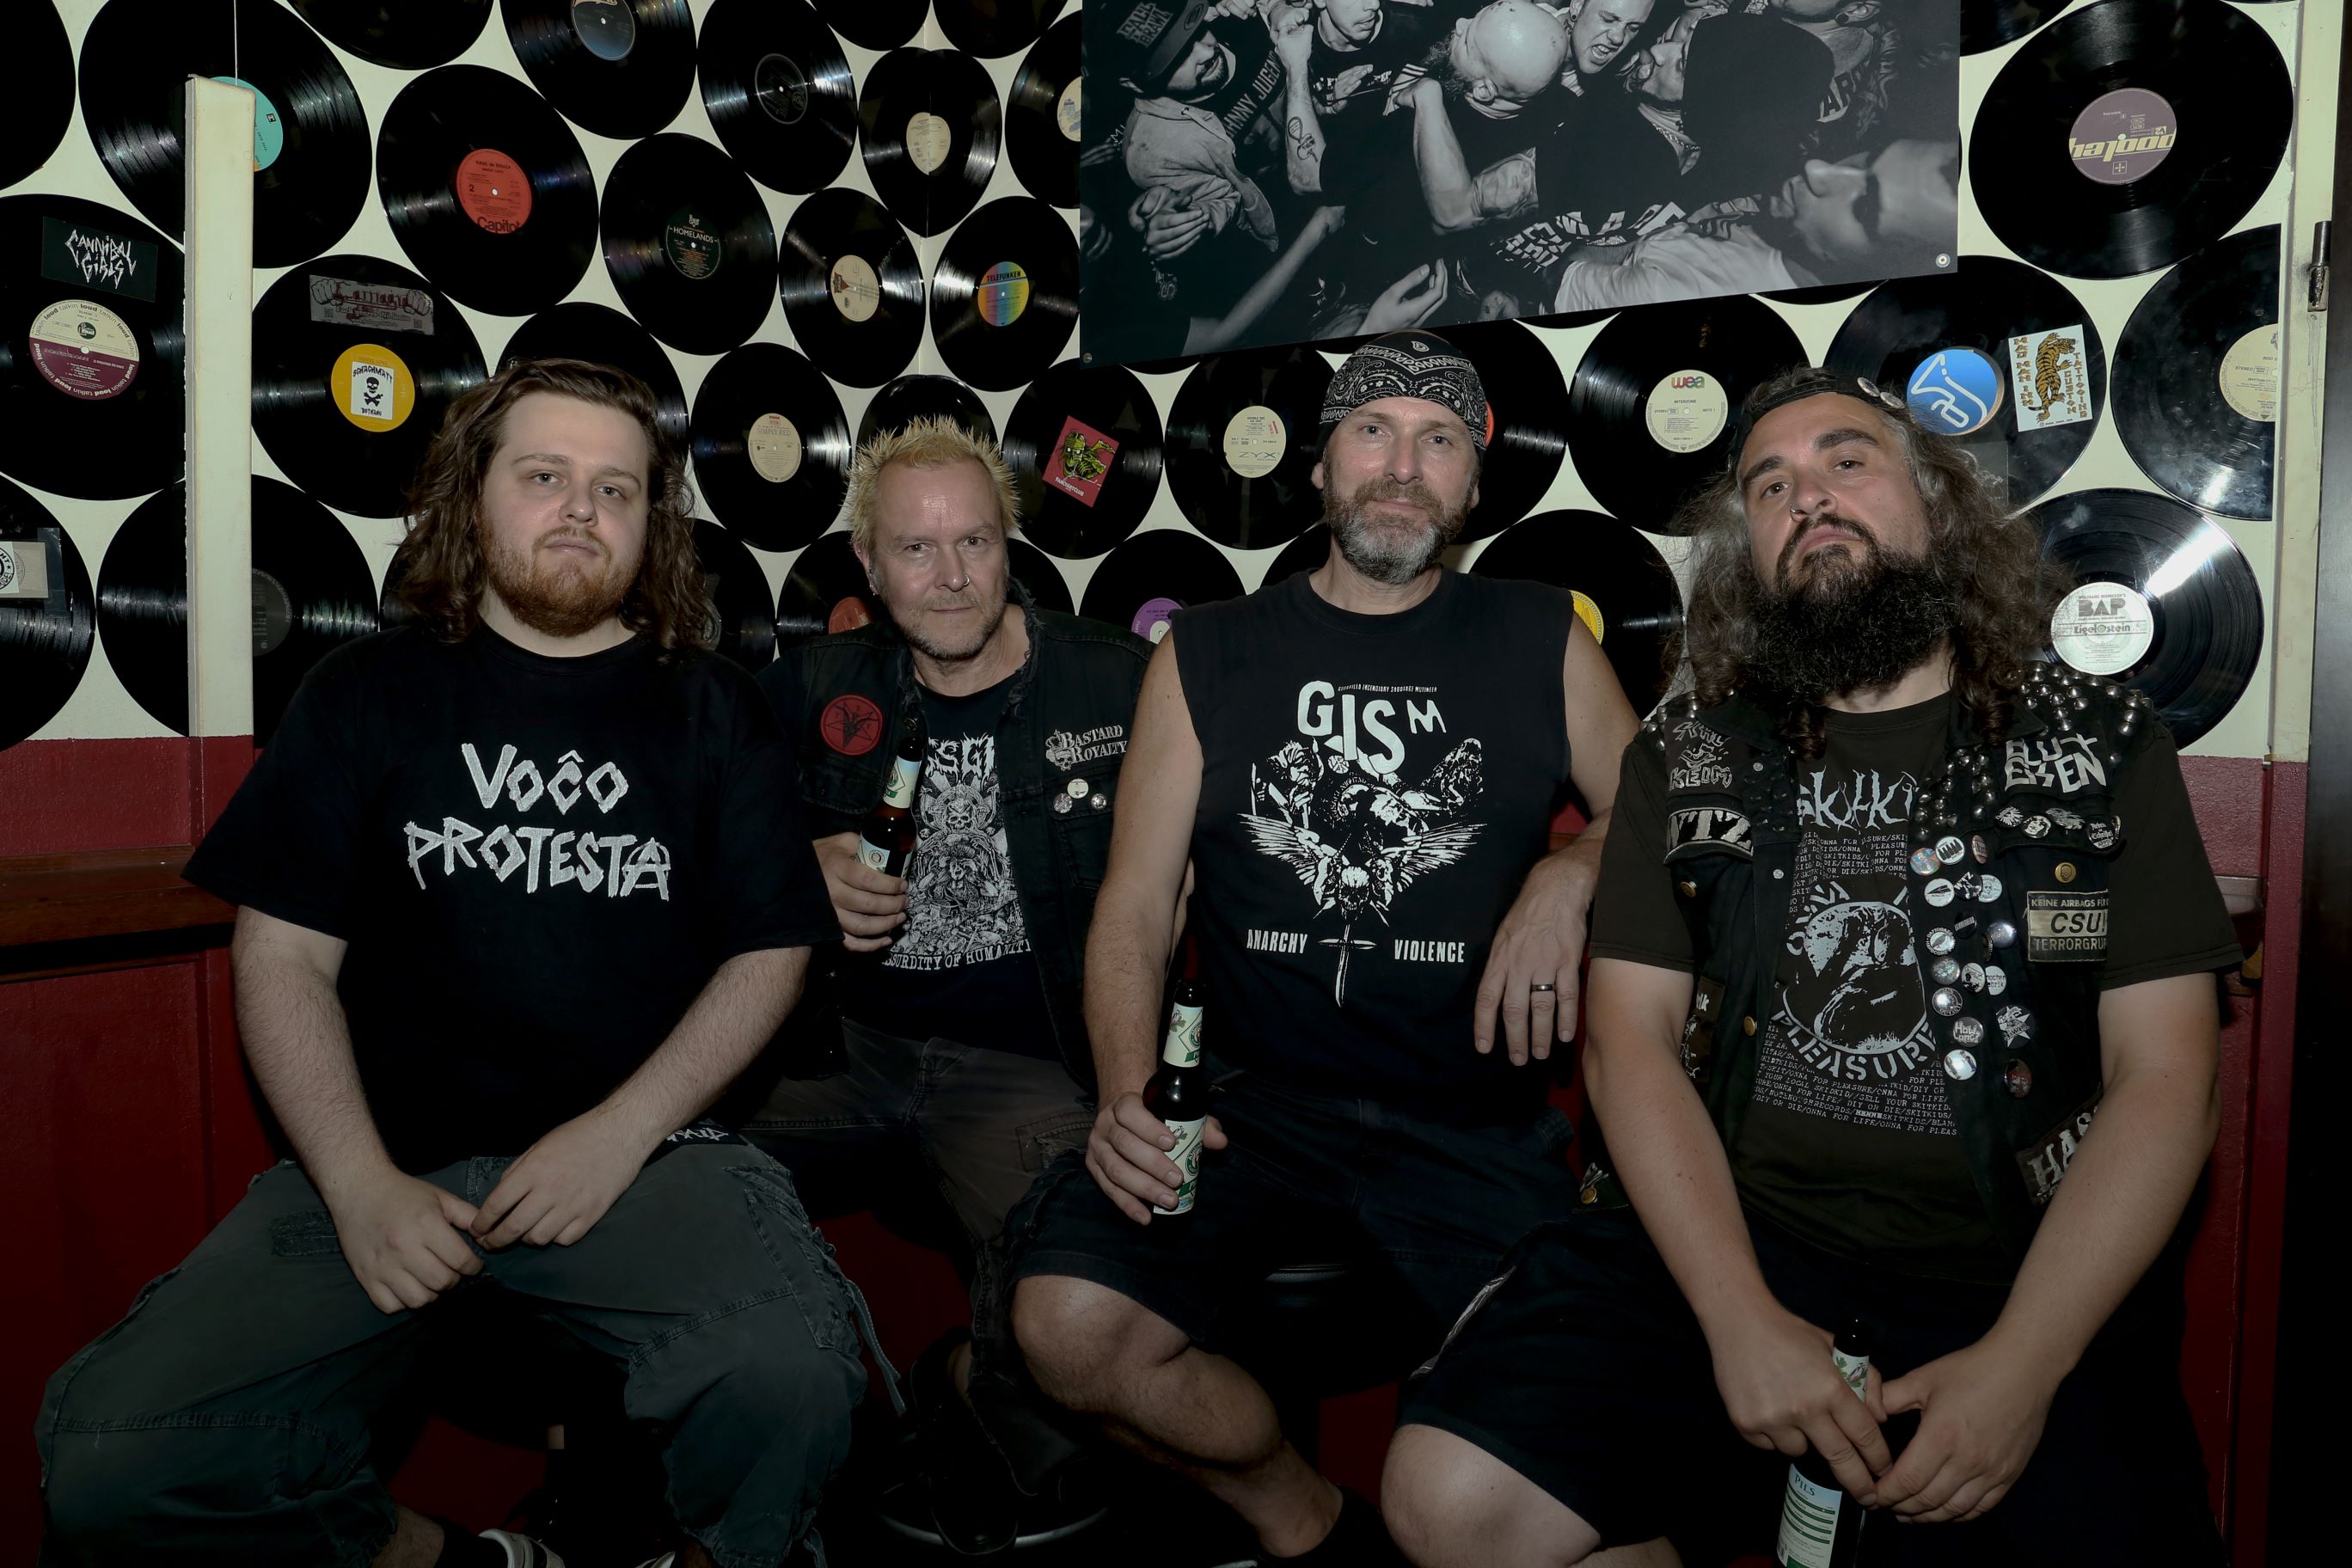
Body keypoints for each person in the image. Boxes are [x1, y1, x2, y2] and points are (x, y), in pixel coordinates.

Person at [1383, 368, 2239, 1566]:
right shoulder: (1687, 751)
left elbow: (2169, 1080)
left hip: (2014, 1272)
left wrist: (2024, 1365)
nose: (1809, 498)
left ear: (1936, 505)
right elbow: (1628, 1042)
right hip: (1727, 1238)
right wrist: (1738, 1318)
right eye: (1770, 486)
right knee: (1447, 1498)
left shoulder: (2096, 740)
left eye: (1847, 461)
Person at [34, 359, 863, 1568]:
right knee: (114, 1460)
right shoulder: (362, 691)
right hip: (389, 1161)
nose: (581, 510)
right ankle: (461, 1562)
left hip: (647, 1158)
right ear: (474, 496)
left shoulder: (716, 707)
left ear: (652, 523)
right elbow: (282, 959)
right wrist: (359, 1183)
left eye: (616, 489)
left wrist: (617, 1134)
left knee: (796, 1377)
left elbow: (770, 952)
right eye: (544, 476)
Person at [1007, 332, 1641, 1564]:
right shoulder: (1206, 650)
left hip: (1472, 1123)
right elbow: (1136, 905)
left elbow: (1654, 814)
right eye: (1372, 432)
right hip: (1257, 1108)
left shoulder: (1541, 637)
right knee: (1066, 1328)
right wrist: (1133, 1093)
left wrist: (1571, 871)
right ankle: (1302, 1518)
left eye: (1438, 440)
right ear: (1319, 467)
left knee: (1558, 1459)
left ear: (1472, 485)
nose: (1402, 466)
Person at [742, 419, 1154, 1552]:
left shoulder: (1116, 681)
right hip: (836, 1051)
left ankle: (960, 1383)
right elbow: (686, 840)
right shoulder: (813, 685)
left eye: (975, 542)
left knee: (1086, 1318)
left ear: (1009, 546)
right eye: (916, 549)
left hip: (1028, 1064)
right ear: (868, 565)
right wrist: (795, 871)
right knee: (633, 1171)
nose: (952, 575)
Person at [1548, 135, 1956, 312]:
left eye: (1864, 207)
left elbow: (1562, 276)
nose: (1818, 169)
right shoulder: (1780, 218)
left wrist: (1638, 245)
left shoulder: (1676, 290)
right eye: (1869, 158)